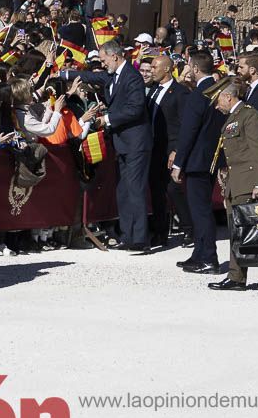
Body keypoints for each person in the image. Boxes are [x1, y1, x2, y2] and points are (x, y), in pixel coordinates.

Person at [61, 40, 152, 250]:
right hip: (122, 142)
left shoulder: (132, 77)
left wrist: (107, 120)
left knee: (135, 189)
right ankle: (128, 236)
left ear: (115, 56)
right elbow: (91, 76)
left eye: (103, 60)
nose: (102, 64)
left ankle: (140, 239)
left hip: (136, 142)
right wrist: (63, 74)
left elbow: (135, 109)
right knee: (122, 190)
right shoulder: (112, 75)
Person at [208, 78, 258, 292]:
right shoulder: (234, 117)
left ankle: (255, 273)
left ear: (228, 96)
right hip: (237, 181)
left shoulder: (249, 115)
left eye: (218, 101)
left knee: (248, 230)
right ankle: (254, 273)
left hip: (249, 181)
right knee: (239, 230)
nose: (216, 106)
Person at [172, 52, 226, 274]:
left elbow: (189, 131)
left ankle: (209, 257)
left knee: (200, 210)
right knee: (199, 209)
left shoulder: (198, 95)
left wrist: (178, 163)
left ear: (194, 68)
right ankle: (199, 253)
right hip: (210, 157)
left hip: (197, 159)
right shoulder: (216, 91)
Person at [147, 54, 188, 247]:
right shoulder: (153, 91)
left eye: (155, 67)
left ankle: (189, 227)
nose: (151, 70)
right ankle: (160, 232)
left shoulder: (180, 93)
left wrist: (177, 150)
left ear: (166, 69)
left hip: (170, 148)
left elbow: (185, 124)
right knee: (156, 191)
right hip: (154, 148)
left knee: (173, 189)